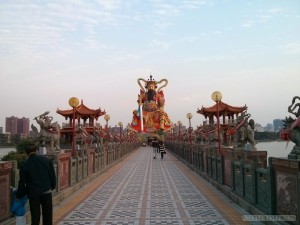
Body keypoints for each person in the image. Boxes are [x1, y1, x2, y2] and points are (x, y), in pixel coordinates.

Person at [15, 143, 56, 225]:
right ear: (36, 151)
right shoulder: (46, 160)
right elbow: (52, 175)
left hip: (33, 194)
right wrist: (52, 186)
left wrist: (19, 195)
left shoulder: (24, 165)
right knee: (47, 216)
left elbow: (22, 183)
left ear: (26, 153)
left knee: (35, 216)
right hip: (46, 191)